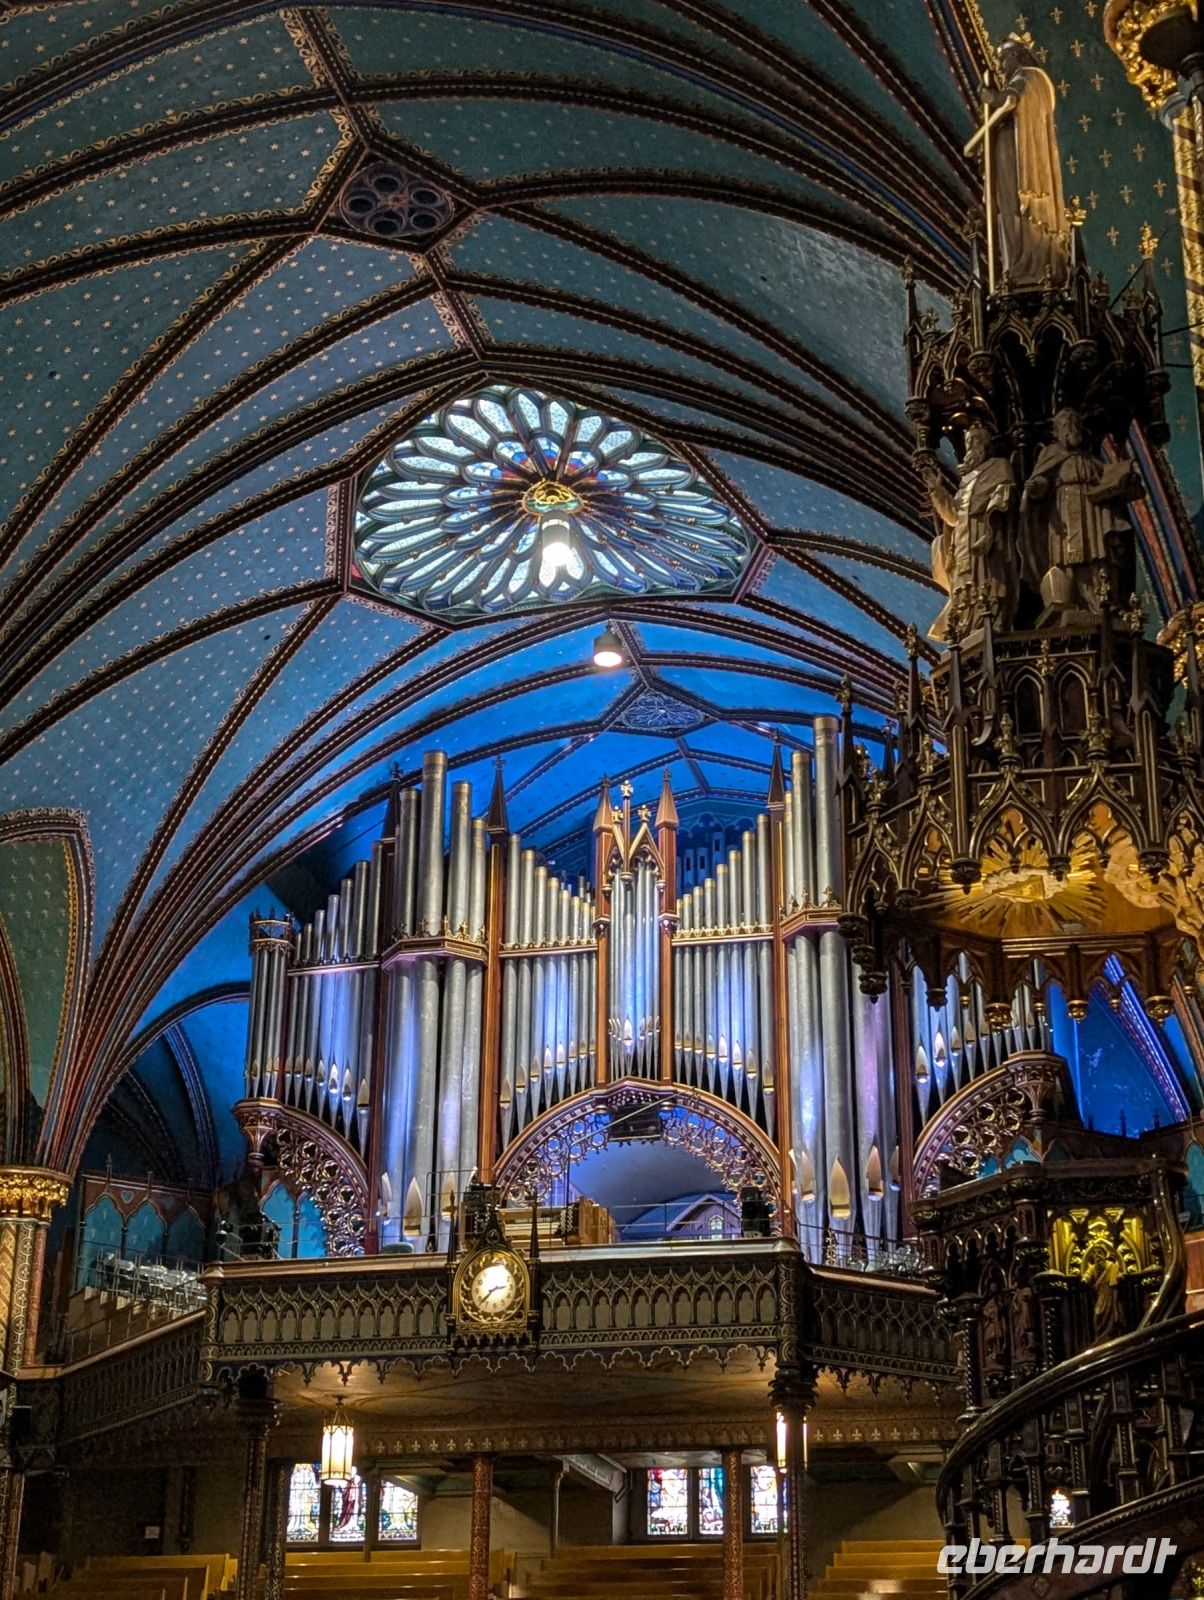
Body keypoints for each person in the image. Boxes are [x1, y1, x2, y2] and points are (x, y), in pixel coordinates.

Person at [1021, 407, 1140, 619]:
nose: (1071, 429)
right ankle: (1073, 599)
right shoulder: (1050, 454)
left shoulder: (1089, 458)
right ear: (1056, 432)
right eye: (1066, 425)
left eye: (1074, 424)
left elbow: (1108, 478)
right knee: (1068, 558)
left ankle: (1102, 599)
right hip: (1065, 509)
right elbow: (1042, 481)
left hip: (1092, 510)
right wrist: (1036, 487)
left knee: (1097, 555)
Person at [979, 34, 1069, 287]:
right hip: (1007, 150)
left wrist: (989, 96)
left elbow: (1008, 101)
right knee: (1006, 206)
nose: (999, 67)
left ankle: (1033, 264)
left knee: (1019, 205)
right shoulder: (1022, 80)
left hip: (1022, 155)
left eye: (1002, 60)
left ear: (1015, 55)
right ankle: (1015, 264)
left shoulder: (1031, 77)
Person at [920, 421, 1018, 642]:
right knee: (965, 587)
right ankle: (968, 626)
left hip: (985, 535)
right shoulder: (965, 482)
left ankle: (992, 619)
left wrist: (990, 527)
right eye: (967, 442)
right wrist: (937, 490)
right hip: (963, 540)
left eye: (975, 440)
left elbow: (1004, 498)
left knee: (987, 581)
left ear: (985, 444)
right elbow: (953, 516)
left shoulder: (999, 467)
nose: (970, 445)